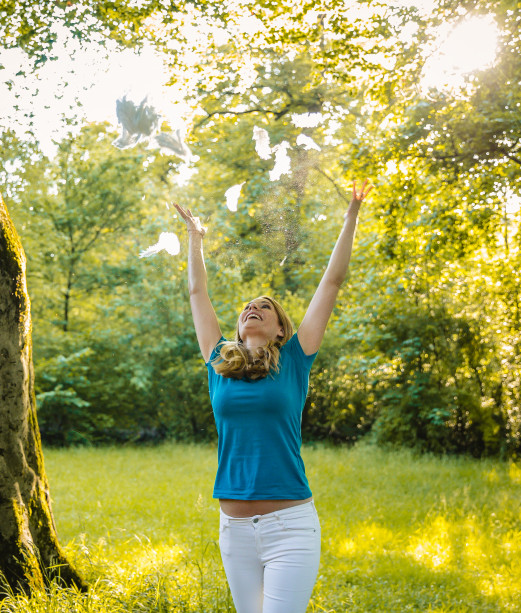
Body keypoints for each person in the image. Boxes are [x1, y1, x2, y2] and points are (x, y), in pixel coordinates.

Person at [173, 179, 373, 613]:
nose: (253, 309)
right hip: (235, 529)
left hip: (291, 527)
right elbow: (196, 293)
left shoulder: (296, 358)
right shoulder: (217, 363)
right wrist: (196, 238)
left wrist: (351, 215)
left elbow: (332, 284)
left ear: (280, 328)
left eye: (265, 307)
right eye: (247, 307)